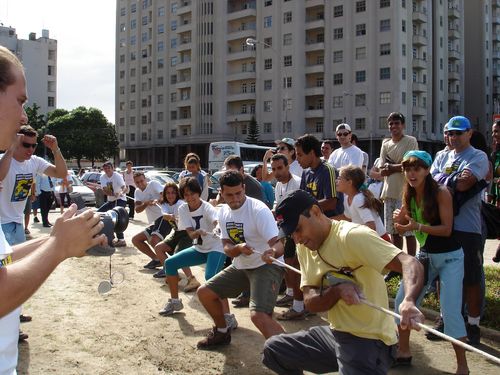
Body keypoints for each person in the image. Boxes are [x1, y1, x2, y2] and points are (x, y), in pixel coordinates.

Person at [0, 45, 107, 374]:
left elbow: (61, 173)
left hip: (14, 229)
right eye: (20, 100)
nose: (24, 116)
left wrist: (59, 239)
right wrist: (59, 247)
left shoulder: (34, 161)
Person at [262, 190, 425, 375]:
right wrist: (337, 292)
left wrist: (409, 300)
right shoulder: (305, 247)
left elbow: (410, 262)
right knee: (274, 349)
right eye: (292, 234)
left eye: (298, 229)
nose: (297, 239)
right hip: (337, 334)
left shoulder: (352, 236)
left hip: (370, 340)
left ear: (316, 212)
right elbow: (310, 301)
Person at [392, 150, 468, 374]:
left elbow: (446, 230)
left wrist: (416, 227)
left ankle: (463, 366)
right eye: (407, 169)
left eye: (417, 168)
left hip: (451, 257)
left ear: (427, 170)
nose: (411, 173)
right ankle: (403, 352)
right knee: (401, 302)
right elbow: (406, 222)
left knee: (451, 312)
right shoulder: (409, 192)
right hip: (425, 255)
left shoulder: (441, 192)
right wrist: (401, 223)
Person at [196, 170, 285, 348]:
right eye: (229, 195)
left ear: (244, 188)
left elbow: (279, 244)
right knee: (204, 293)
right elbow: (227, 247)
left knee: (258, 315)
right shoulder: (222, 213)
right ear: (221, 193)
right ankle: (222, 332)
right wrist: (237, 248)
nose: (235, 198)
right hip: (242, 265)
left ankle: (293, 354)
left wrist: (272, 253)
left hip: (266, 266)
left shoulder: (259, 210)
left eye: (239, 193)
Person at [431, 116, 489, 345]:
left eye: (458, 133)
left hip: (467, 227)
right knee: (441, 276)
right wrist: (453, 179)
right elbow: (430, 182)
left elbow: (465, 184)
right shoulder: (441, 155)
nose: (453, 137)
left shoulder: (478, 156)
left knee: (471, 278)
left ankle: (473, 325)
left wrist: (444, 180)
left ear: (469, 133)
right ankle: (446, 318)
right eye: (450, 133)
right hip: (442, 226)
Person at [159, 177, 230, 322]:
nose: (190, 197)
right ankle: (175, 302)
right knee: (170, 263)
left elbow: (216, 221)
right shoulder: (183, 209)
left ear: (198, 193)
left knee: (211, 278)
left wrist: (216, 227)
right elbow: (190, 233)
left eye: (192, 193)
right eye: (186, 194)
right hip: (200, 248)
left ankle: (228, 317)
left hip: (216, 247)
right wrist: (197, 233)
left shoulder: (207, 207)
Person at [0, 125, 68, 236]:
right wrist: (10, 148)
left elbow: (61, 173)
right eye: (26, 145)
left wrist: (55, 149)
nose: (31, 149)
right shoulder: (3, 159)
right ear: (15, 142)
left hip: (17, 223)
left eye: (34, 145)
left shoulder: (35, 161)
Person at [376, 112, 418, 260]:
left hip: (405, 193)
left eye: (397, 123)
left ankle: (412, 261)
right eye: (391, 124)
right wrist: (398, 165)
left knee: (408, 231)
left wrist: (392, 166)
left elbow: (411, 163)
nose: (394, 126)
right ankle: (397, 264)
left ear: (403, 125)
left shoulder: (410, 141)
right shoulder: (385, 144)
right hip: (388, 193)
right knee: (393, 231)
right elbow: (382, 169)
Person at [270, 154, 305, 319]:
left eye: (279, 168)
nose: (277, 172)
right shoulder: (278, 185)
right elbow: (278, 205)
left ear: (287, 166)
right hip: (286, 229)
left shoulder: (298, 182)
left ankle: (300, 306)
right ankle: (291, 294)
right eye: (274, 169)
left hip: (300, 231)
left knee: (295, 267)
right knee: (287, 264)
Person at [152, 183, 198, 289]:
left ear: (177, 193)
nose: (170, 195)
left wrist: (171, 217)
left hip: (186, 233)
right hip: (177, 233)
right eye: (167, 193)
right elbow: (163, 211)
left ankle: (192, 280)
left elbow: (179, 220)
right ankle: (173, 275)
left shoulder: (180, 204)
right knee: (159, 248)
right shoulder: (165, 204)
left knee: (179, 255)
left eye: (173, 192)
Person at [335, 165, 389, 241]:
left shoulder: (358, 199)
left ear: (349, 182)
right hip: (371, 240)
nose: (336, 181)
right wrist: (327, 220)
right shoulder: (347, 198)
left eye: (339, 178)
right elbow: (346, 217)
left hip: (380, 240)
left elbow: (371, 226)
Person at [295, 134, 342, 217]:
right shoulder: (305, 172)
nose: (297, 159)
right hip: (315, 222)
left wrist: (304, 208)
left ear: (312, 153)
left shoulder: (328, 170)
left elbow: (331, 203)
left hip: (331, 224)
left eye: (300, 155)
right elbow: (303, 199)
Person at [131, 172, 171, 269]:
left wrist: (159, 200)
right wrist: (146, 203)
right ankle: (157, 259)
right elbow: (137, 209)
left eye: (141, 181)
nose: (140, 184)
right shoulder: (137, 192)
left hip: (164, 217)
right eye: (137, 182)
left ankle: (169, 268)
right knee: (136, 240)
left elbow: (165, 196)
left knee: (154, 240)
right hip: (154, 222)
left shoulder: (153, 184)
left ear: (145, 179)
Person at [98, 162, 128, 247]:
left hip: (120, 199)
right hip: (111, 200)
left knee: (117, 218)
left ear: (112, 168)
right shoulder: (102, 177)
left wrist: (121, 192)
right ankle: (109, 236)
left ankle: (121, 240)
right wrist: (112, 194)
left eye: (109, 168)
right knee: (99, 213)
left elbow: (124, 187)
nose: (107, 170)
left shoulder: (117, 176)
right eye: (105, 168)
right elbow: (105, 190)